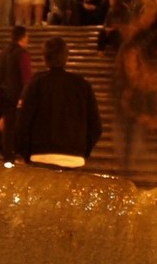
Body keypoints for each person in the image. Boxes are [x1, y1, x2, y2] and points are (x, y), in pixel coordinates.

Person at [12, 37, 105, 169]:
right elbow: (96, 126)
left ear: (44, 58)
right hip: (74, 158)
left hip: (41, 155)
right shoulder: (82, 85)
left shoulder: (36, 84)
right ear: (66, 57)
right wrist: (82, 150)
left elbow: (22, 122)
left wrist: (26, 152)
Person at [115, 0, 157, 176]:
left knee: (135, 156)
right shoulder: (130, 48)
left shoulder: (141, 44)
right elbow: (126, 94)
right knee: (130, 156)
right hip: (130, 109)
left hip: (136, 109)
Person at [0, 25, 32, 159]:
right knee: (12, 128)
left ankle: (3, 152)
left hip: (1, 96)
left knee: (5, 128)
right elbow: (26, 77)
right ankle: (10, 156)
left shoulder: (2, 54)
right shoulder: (22, 53)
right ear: (23, 37)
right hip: (16, 97)